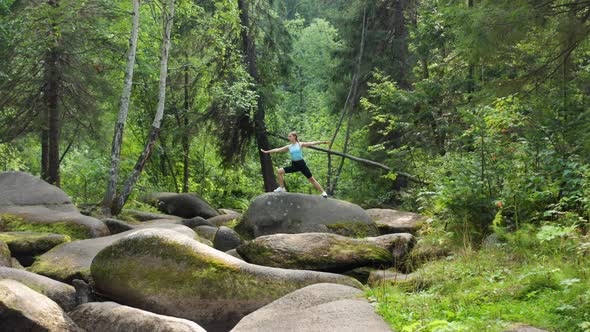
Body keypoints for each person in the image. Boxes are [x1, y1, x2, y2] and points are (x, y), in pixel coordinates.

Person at [261, 131, 330, 197]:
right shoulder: (289, 147)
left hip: (302, 164)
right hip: (294, 165)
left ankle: (323, 192)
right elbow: (278, 149)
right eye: (288, 136)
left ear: (294, 137)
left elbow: (312, 143)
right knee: (279, 171)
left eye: (290, 136)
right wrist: (267, 152)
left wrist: (323, 142)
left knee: (311, 179)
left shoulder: (300, 144)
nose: (288, 138)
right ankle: (281, 188)